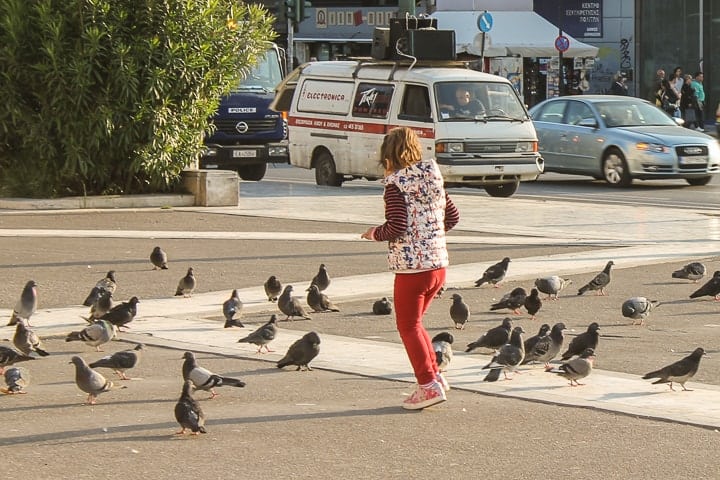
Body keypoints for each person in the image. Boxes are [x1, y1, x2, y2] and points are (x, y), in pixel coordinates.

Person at [360, 127, 460, 410]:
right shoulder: (432, 177)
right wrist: (432, 238)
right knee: (416, 325)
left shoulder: (395, 185)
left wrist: (374, 233)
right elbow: (451, 216)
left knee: (408, 326)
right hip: (438, 265)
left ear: (388, 155)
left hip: (412, 268)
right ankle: (435, 378)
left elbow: (397, 226)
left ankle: (427, 385)